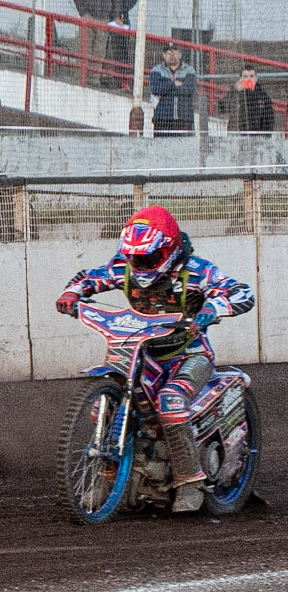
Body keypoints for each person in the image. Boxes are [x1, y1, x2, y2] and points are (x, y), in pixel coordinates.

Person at [55, 206, 254, 512]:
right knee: (104, 404)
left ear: (170, 250)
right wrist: (71, 295)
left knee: (170, 401)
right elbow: (88, 278)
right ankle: (104, 478)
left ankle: (189, 482)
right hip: (142, 352)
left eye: (148, 258)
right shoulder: (123, 268)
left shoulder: (197, 271)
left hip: (189, 354)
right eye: (134, 257)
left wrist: (212, 309)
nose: (140, 265)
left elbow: (242, 293)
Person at [150, 44, 195, 136]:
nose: (172, 55)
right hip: (162, 119)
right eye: (168, 52)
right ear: (164, 55)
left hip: (184, 119)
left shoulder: (189, 70)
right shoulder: (156, 70)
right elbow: (156, 89)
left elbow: (189, 90)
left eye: (175, 52)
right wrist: (173, 84)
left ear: (180, 54)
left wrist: (165, 90)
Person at [218, 66, 276, 134]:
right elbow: (222, 108)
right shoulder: (235, 93)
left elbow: (269, 119)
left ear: (256, 78)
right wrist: (235, 90)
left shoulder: (263, 96)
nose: (248, 79)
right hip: (237, 135)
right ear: (240, 79)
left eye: (251, 76)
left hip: (256, 136)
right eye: (245, 76)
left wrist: (265, 136)